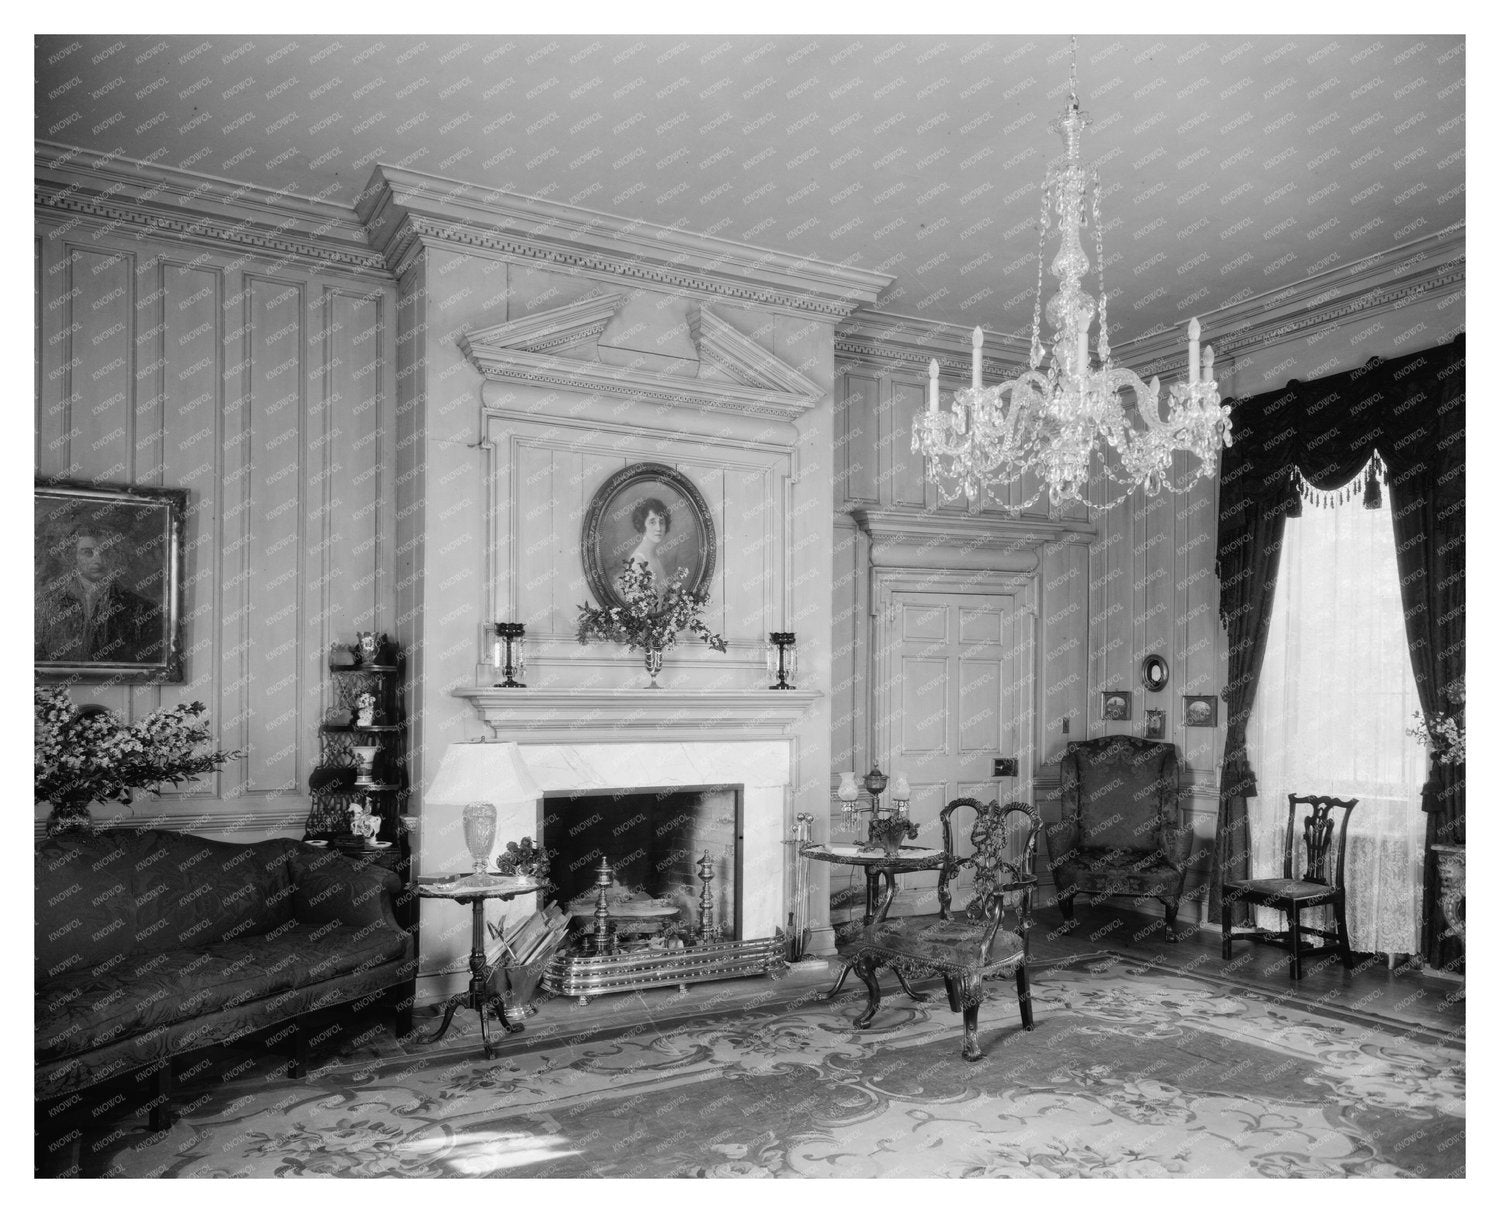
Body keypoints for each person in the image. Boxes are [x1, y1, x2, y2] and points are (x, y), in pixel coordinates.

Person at [35, 525, 163, 664]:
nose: (98, 560)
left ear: (114, 556)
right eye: (88, 552)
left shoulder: (142, 609)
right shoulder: (46, 605)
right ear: (73, 557)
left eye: (106, 552)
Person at [617, 497, 680, 603]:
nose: (658, 528)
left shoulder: (654, 555)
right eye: (652, 522)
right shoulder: (637, 560)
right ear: (642, 525)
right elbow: (639, 606)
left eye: (661, 522)